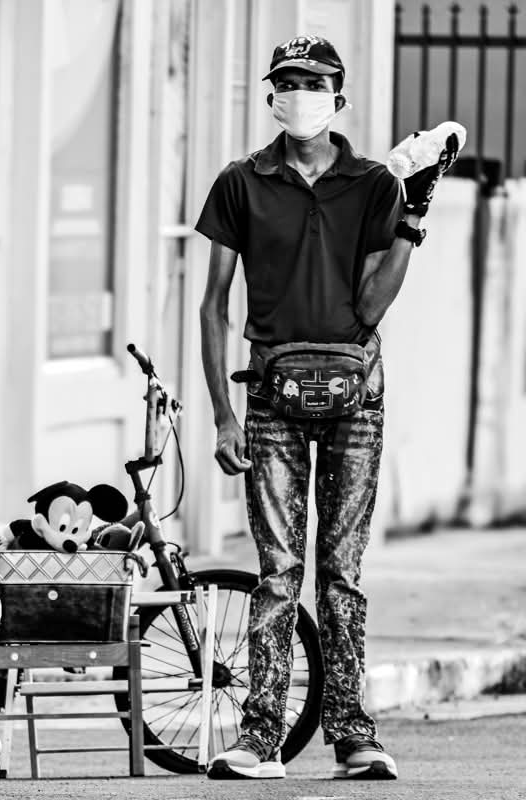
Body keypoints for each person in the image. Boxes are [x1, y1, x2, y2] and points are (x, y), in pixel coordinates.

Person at [195, 34, 457, 781]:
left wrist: (412, 217)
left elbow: (370, 307)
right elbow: (213, 305)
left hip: (356, 398)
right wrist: (223, 414)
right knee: (277, 572)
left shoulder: (373, 183)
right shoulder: (241, 182)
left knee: (342, 572)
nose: (299, 93)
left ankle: (353, 736)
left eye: (314, 83)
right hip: (270, 397)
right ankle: (260, 738)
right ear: (271, 95)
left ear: (338, 98)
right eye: (288, 81)